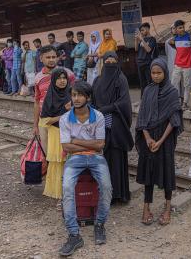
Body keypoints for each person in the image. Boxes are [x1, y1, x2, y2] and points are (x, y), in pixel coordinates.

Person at [59, 81, 111, 256]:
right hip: (75, 159)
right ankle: (74, 234)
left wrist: (76, 141)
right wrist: (89, 146)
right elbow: (66, 147)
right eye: (73, 95)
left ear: (88, 97)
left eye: (80, 95)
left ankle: (99, 224)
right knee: (66, 188)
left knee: (106, 187)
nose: (76, 98)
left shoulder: (99, 116)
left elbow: (101, 144)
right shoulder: (65, 119)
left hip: (96, 158)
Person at [136, 58, 183, 226]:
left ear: (165, 73)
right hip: (148, 139)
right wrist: (148, 138)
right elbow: (142, 117)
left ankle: (168, 208)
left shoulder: (171, 91)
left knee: (167, 172)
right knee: (148, 173)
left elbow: (174, 119)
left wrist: (161, 141)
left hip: (165, 139)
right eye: (153, 73)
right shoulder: (147, 90)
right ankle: (146, 208)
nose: (156, 76)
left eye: (159, 73)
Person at [92, 52, 134, 204]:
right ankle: (101, 194)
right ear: (103, 63)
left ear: (117, 63)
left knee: (115, 161)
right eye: (107, 61)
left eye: (113, 61)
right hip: (99, 127)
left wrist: (105, 109)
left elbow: (124, 102)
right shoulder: (97, 80)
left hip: (115, 127)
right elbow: (92, 99)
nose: (110, 63)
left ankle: (117, 195)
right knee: (100, 161)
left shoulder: (121, 79)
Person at [40, 68, 72, 200]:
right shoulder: (50, 96)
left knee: (70, 161)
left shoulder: (71, 93)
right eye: (59, 78)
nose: (62, 81)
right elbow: (46, 120)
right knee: (58, 162)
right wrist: (64, 113)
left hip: (71, 132)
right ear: (54, 80)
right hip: (56, 132)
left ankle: (70, 191)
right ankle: (58, 192)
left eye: (64, 78)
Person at [33, 45, 59, 150]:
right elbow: (36, 102)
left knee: (61, 155)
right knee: (47, 153)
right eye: (48, 57)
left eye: (53, 57)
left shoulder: (66, 74)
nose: (51, 60)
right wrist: (35, 125)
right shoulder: (38, 77)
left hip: (60, 121)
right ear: (41, 59)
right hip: (44, 120)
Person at [169, 19, 191, 110]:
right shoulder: (174, 39)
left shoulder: (189, 37)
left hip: (188, 65)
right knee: (174, 84)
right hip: (177, 65)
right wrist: (173, 32)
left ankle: (185, 103)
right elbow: (170, 42)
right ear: (176, 29)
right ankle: (174, 102)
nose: (181, 29)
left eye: (182, 27)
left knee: (187, 85)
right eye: (179, 28)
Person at [135, 22, 158, 95]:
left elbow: (148, 50)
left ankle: (151, 99)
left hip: (148, 63)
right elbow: (136, 49)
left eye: (143, 30)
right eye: (140, 31)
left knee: (150, 82)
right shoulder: (142, 39)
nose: (141, 32)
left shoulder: (152, 39)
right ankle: (143, 100)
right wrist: (136, 39)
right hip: (140, 63)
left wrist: (142, 39)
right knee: (142, 83)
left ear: (148, 29)